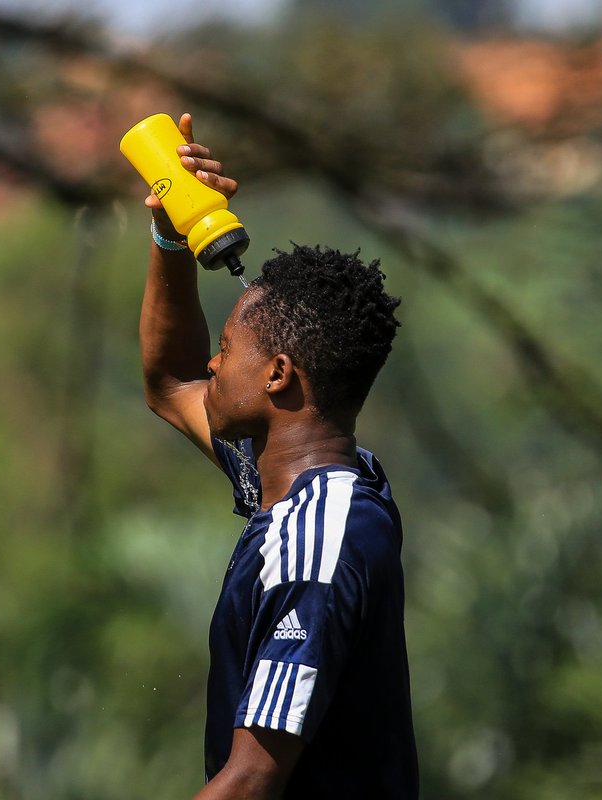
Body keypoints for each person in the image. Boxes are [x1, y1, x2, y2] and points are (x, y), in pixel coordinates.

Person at [138, 113, 417, 799]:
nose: (213, 361)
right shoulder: (325, 486)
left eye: (227, 351)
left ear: (277, 375)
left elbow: (252, 779)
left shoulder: (314, 546)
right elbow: (171, 382)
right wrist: (170, 236)